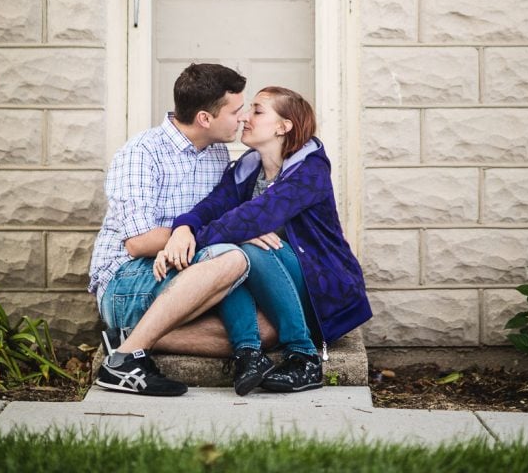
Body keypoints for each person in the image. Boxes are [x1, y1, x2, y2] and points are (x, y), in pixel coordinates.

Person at [155, 87, 372, 395]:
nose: (245, 117)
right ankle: (248, 354)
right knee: (230, 251)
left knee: (242, 247)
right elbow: (212, 207)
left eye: (257, 111)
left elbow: (254, 219)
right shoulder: (248, 167)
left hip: (320, 286)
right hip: (270, 284)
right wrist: (183, 230)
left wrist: (198, 241)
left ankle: (304, 356)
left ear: (284, 127)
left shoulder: (310, 170)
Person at [88, 62, 274, 396]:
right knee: (233, 258)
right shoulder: (141, 153)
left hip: (188, 272)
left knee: (269, 330)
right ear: (205, 118)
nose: (243, 118)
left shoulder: (217, 153)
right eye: (236, 111)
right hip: (127, 279)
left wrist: (191, 233)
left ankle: (129, 337)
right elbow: (139, 242)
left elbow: (212, 223)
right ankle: (126, 360)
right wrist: (191, 233)